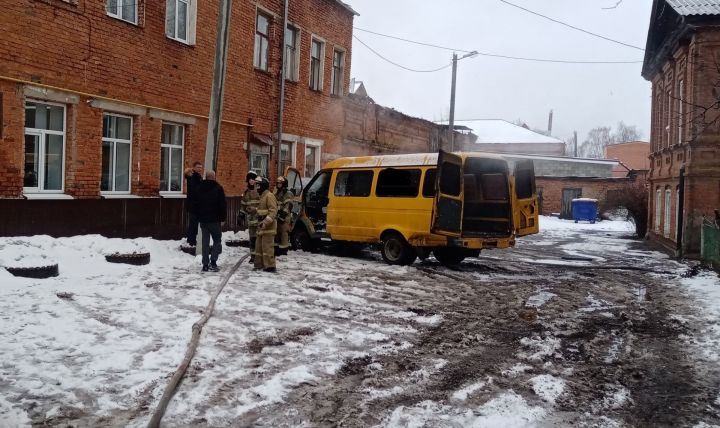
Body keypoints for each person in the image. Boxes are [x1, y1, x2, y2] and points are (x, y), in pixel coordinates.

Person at [195, 170, 227, 272]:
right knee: (217, 240)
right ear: (214, 177)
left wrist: (198, 217)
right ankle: (213, 261)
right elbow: (222, 205)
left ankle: (205, 264)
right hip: (214, 220)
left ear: (206, 177)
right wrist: (223, 218)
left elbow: (196, 204)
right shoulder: (218, 188)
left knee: (205, 242)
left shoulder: (199, 188)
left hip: (203, 221)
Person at [254, 177, 278, 272]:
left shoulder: (269, 196)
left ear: (263, 186)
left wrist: (265, 222)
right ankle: (259, 264)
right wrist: (254, 210)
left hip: (268, 227)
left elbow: (273, 211)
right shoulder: (262, 196)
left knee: (267, 247)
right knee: (259, 247)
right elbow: (262, 210)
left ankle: (270, 266)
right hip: (261, 227)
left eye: (258, 185)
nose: (257, 188)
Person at [240, 172, 260, 263]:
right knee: (252, 239)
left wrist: (256, 209)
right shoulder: (246, 193)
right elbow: (243, 206)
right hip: (251, 220)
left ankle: (259, 256)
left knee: (259, 238)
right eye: (250, 179)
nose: (251, 181)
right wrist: (241, 215)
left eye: (253, 179)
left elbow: (264, 204)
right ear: (247, 181)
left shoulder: (259, 191)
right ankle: (253, 256)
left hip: (260, 220)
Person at [184, 162, 203, 246]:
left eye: (200, 167)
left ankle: (191, 239)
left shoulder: (197, 177)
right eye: (198, 167)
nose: (199, 169)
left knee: (194, 223)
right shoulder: (192, 177)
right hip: (194, 204)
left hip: (197, 204)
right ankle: (191, 240)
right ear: (194, 168)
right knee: (194, 223)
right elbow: (194, 190)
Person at [274, 176, 293, 256]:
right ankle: (277, 249)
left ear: (284, 184)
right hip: (277, 216)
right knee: (277, 233)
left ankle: (284, 250)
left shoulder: (288, 193)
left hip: (285, 217)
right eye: (277, 183)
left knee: (283, 233)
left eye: (280, 183)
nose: (278, 184)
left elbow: (288, 206)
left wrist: (283, 215)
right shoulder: (277, 192)